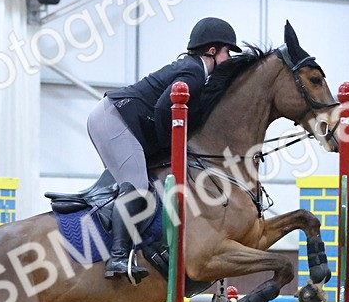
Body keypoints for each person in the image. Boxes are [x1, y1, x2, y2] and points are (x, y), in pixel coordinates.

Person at [87, 17, 241, 282]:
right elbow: (162, 108)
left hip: (115, 118)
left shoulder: (194, 70)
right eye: (227, 51)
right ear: (212, 50)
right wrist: (171, 149)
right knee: (136, 186)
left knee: (146, 181)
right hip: (113, 120)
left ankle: (140, 245)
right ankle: (118, 257)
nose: (228, 59)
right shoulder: (194, 72)